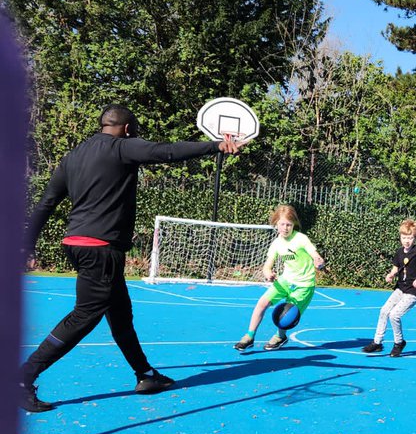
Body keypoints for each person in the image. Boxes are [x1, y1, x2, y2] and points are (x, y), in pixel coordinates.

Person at [21, 105, 241, 413]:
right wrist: (215, 145)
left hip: (76, 243)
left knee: (120, 314)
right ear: (126, 129)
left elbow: (47, 202)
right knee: (84, 316)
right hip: (100, 249)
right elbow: (167, 151)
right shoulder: (122, 147)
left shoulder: (71, 157)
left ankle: (146, 375)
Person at [233, 204, 324, 353]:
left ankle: (280, 336)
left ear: (293, 224)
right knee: (262, 303)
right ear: (276, 223)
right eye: (282, 224)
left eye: (289, 224)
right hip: (285, 280)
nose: (285, 228)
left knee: (286, 314)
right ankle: (249, 337)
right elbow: (267, 266)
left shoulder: (301, 239)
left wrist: (318, 260)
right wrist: (268, 273)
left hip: (303, 284)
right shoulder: (276, 244)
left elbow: (314, 254)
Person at [362, 218, 416, 357]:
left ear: (415, 238)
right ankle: (377, 342)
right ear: (400, 237)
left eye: (410, 238)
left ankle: (399, 343)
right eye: (404, 237)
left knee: (395, 315)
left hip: (413, 291)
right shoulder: (399, 252)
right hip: (400, 288)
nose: (406, 240)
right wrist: (391, 275)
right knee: (384, 311)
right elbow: (396, 267)